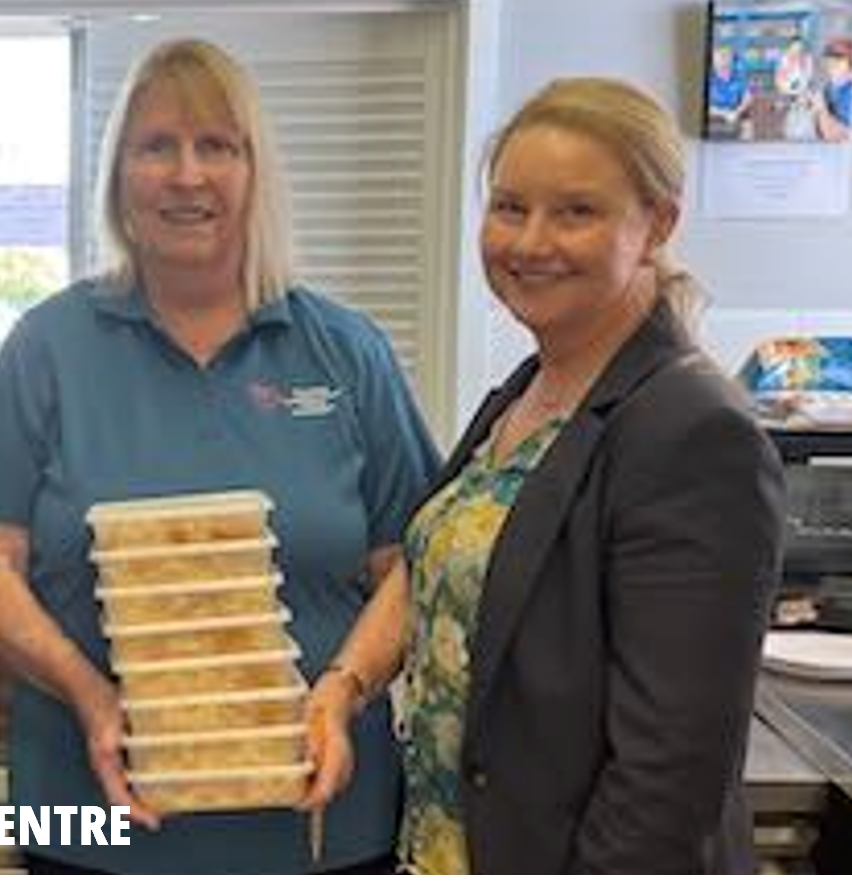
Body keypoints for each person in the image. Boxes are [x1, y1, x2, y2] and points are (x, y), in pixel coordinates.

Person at [0, 38, 440, 874]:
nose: (186, 175)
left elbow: (409, 562)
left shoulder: (345, 352)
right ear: (117, 176)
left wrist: (343, 686)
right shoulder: (50, 346)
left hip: (317, 831)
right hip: (95, 818)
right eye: (156, 146)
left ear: (256, 172)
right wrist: (88, 692)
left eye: (217, 146)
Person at [306, 77, 785, 874]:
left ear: (657, 224)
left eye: (575, 211)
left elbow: (668, 780)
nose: (529, 242)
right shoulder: (526, 392)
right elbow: (439, 558)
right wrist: (344, 684)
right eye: (508, 207)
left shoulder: (694, 433)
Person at [705, 45, 752, 140]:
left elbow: (747, 98)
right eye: (719, 59)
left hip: (735, 112)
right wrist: (724, 113)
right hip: (715, 115)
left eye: (726, 58)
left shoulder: (739, 74)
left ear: (731, 61)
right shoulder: (709, 77)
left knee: (747, 123)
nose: (723, 62)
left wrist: (737, 112)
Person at [815, 37, 852, 143]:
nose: (832, 66)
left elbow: (837, 135)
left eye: (838, 61)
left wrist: (821, 108)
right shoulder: (829, 89)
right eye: (829, 62)